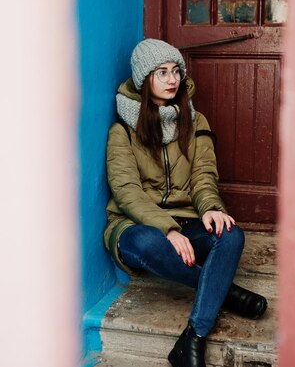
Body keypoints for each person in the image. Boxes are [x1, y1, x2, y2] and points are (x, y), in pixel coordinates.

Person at [104, 39, 268, 367]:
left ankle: (193, 337)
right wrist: (167, 229)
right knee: (147, 241)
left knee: (230, 234)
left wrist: (210, 208)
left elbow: (203, 177)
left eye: (176, 70)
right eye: (162, 72)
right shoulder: (122, 130)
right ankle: (227, 291)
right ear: (144, 79)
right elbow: (127, 192)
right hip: (136, 226)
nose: (172, 79)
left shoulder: (195, 121)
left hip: (188, 220)